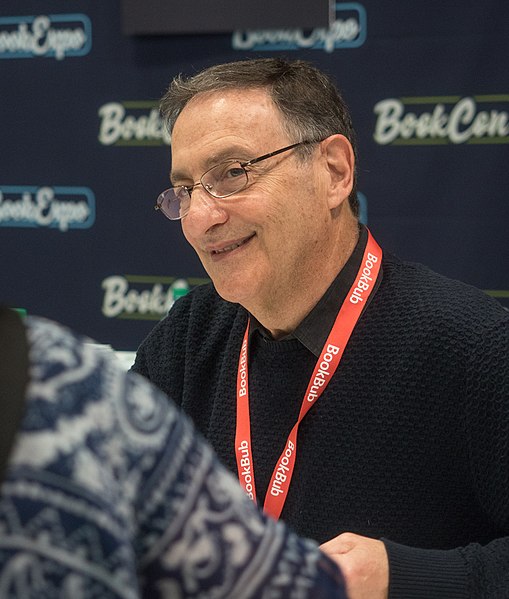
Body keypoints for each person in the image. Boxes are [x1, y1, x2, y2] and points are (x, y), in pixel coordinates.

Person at [132, 58, 509, 599]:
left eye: (232, 174)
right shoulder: (189, 339)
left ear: (333, 171)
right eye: (185, 190)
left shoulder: (472, 348)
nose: (198, 219)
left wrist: (399, 578)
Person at [0, 307, 347, 598]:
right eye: (177, 217)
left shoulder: (56, 382)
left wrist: (398, 572)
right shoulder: (64, 379)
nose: (203, 222)